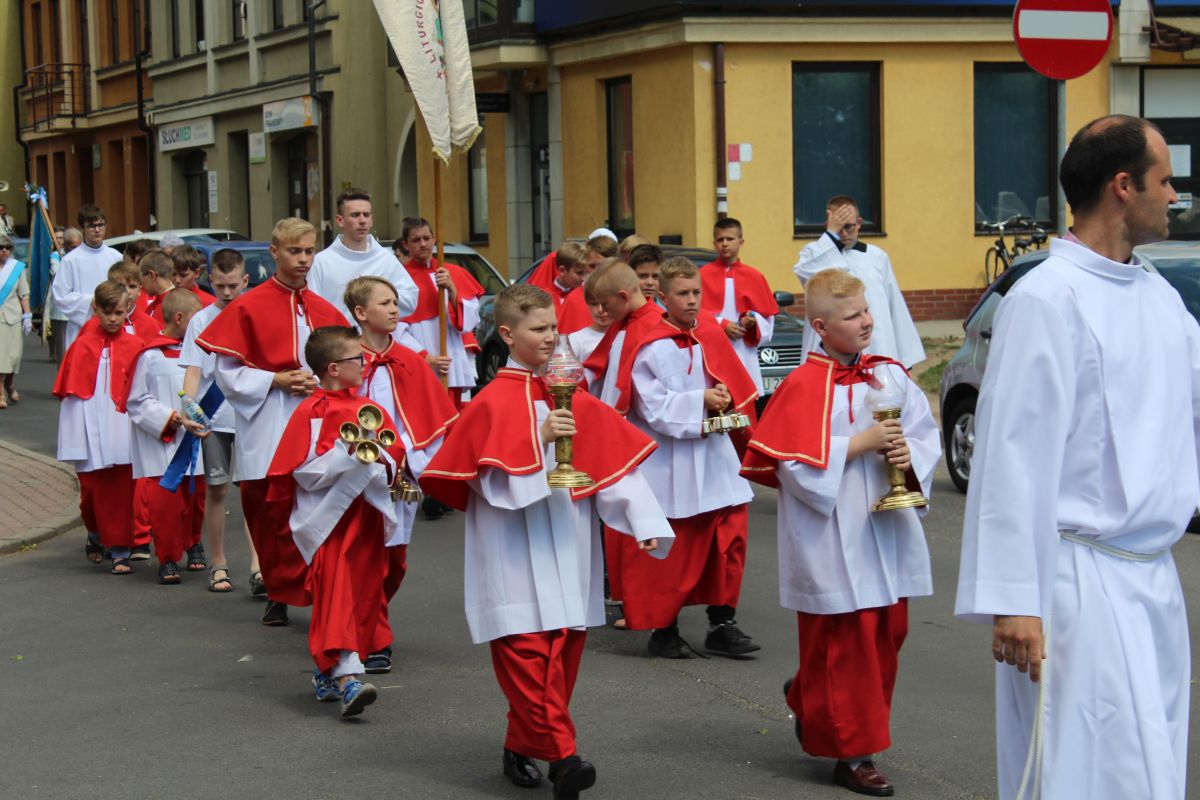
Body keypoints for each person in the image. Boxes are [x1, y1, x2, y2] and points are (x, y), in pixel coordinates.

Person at [956, 115, 1196, 800]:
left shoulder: (1157, 294)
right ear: (1123, 187)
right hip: (1077, 587)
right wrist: (1013, 601)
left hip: (1149, 581)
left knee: (1150, 769)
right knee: (1080, 772)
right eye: (1164, 179)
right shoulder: (1047, 298)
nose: (1174, 194)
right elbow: (1010, 456)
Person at [419, 284, 673, 800]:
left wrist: (644, 520)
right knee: (526, 654)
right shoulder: (490, 402)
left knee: (561, 657)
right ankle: (563, 757)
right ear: (508, 335)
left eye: (555, 326)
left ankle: (521, 743)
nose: (552, 336)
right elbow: (489, 481)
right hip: (511, 548)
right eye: (539, 328)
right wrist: (540, 440)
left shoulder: (571, 395)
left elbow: (610, 466)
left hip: (569, 543)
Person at [741, 268, 938, 797]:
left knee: (888, 634)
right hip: (833, 536)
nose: (867, 321)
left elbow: (923, 433)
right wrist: (860, 442)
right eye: (853, 316)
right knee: (848, 647)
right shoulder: (803, 385)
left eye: (867, 310)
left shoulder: (889, 374)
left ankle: (808, 693)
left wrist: (908, 455)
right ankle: (854, 755)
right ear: (822, 327)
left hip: (886, 528)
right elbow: (792, 468)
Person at [196, 217, 348, 626]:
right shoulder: (249, 305)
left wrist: (323, 380)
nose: (302, 259)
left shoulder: (324, 308)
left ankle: (320, 587)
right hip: (269, 419)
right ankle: (277, 590)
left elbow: (349, 364)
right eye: (294, 251)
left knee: (317, 505)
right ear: (275, 252)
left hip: (319, 420)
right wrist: (275, 379)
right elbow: (227, 373)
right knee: (269, 506)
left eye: (309, 251)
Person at [607, 257, 760, 658]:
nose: (692, 301)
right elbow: (652, 406)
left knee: (728, 537)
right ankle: (665, 628)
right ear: (662, 296)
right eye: (683, 294)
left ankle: (723, 622)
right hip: (671, 461)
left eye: (696, 293)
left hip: (714, 455)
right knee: (676, 550)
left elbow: (733, 381)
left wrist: (724, 400)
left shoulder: (710, 332)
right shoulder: (648, 344)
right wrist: (700, 400)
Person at [269, 326, 404, 717]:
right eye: (356, 359)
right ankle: (348, 678)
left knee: (361, 593)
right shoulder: (310, 410)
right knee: (336, 593)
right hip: (326, 522)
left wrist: (378, 457)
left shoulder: (368, 407)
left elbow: (395, 452)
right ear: (332, 368)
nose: (363, 364)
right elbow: (299, 470)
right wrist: (346, 459)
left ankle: (327, 671)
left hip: (363, 518)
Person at [345, 275, 459, 673]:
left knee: (395, 562)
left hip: (404, 475)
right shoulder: (345, 360)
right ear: (361, 313)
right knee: (366, 558)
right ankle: (374, 638)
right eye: (385, 303)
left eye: (396, 302)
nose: (395, 309)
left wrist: (415, 460)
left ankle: (364, 621)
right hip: (357, 474)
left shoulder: (410, 360)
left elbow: (430, 418)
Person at [179, 248, 260, 594]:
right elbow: (194, 369)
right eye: (220, 285)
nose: (227, 293)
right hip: (213, 417)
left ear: (245, 280)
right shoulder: (200, 320)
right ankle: (219, 564)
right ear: (210, 280)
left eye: (233, 285)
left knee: (253, 493)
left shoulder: (255, 314)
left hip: (251, 415)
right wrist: (187, 405)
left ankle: (258, 566)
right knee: (217, 489)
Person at [121, 289, 208, 585]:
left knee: (195, 498)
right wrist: (171, 419)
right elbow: (136, 400)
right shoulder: (150, 355)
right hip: (165, 441)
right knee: (166, 503)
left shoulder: (199, 355)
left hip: (194, 437)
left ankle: (194, 542)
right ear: (180, 318)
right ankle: (168, 557)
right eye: (197, 318)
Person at [53, 281, 141, 571]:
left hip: (120, 422)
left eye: (119, 312)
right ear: (96, 310)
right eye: (107, 312)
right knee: (90, 489)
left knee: (119, 486)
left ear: (127, 310)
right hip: (88, 421)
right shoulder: (83, 343)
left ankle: (120, 550)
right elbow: (71, 389)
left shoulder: (134, 345)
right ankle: (94, 530)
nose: (114, 318)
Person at [793, 196, 925, 369]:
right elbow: (810, 276)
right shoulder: (814, 253)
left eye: (849, 226)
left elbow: (894, 305)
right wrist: (830, 237)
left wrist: (903, 357)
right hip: (833, 349)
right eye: (838, 227)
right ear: (828, 224)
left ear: (860, 223)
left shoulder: (876, 256)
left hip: (877, 345)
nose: (844, 234)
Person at [394, 217, 485, 407]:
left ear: (434, 239)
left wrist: (452, 289)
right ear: (405, 244)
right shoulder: (399, 279)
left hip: (452, 360)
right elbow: (396, 330)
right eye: (416, 240)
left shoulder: (453, 273)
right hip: (421, 360)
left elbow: (469, 323)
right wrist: (425, 357)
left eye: (426, 238)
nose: (423, 244)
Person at [308, 187, 419, 326]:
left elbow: (411, 299)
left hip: (378, 342)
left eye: (366, 215)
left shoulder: (386, 259)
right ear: (340, 220)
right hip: (338, 342)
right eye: (355, 215)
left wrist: (378, 297)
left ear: (371, 220)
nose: (362, 220)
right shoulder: (322, 262)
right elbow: (311, 306)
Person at [702, 218, 779, 393]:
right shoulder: (702, 276)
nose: (725, 244)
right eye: (720, 240)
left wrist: (751, 321)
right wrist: (722, 325)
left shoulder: (754, 276)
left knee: (745, 404)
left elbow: (767, 319)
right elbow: (695, 314)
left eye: (729, 239)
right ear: (714, 243)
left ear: (741, 241)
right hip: (713, 351)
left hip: (744, 352)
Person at [582, 260, 666, 407]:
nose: (603, 310)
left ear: (623, 297)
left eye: (605, 303)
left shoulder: (660, 325)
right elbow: (597, 366)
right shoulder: (619, 322)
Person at [51, 205, 124, 351]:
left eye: (100, 225)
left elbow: (125, 289)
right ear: (82, 228)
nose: (97, 230)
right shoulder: (70, 260)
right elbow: (60, 296)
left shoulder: (116, 257)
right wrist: (92, 301)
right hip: (81, 328)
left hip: (113, 325)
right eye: (91, 226)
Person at [0, 235, 31, 409]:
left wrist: (27, 316)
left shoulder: (17, 269)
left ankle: (9, 384)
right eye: (0, 247)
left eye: (7, 247)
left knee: (13, 358)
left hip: (12, 318)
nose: (3, 250)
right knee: (0, 358)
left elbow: (23, 295)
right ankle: (1, 394)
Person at [565, 272, 612, 366]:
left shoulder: (625, 334)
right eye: (594, 304)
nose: (600, 310)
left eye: (605, 303)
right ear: (587, 303)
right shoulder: (575, 340)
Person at [107, 261, 158, 342]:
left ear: (139, 290)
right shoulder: (98, 324)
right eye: (121, 286)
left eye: (132, 286)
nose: (127, 292)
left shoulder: (151, 325)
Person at [46, 226, 75, 363]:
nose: (60, 241)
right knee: (64, 351)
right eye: (56, 238)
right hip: (61, 309)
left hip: (77, 307)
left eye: (61, 238)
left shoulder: (75, 256)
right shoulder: (55, 257)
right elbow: (56, 274)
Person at [138, 249, 176, 323]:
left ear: (151, 275)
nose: (140, 284)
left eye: (140, 277)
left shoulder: (178, 303)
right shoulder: (155, 304)